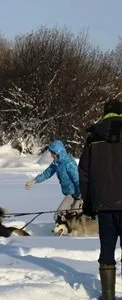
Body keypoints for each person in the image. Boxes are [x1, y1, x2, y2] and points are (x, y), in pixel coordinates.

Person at [79, 99, 122, 300]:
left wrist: (88, 203)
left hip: (103, 203)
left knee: (107, 249)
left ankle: (108, 296)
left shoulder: (93, 137)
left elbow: (84, 173)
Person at [25, 139, 82, 220]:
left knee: (61, 216)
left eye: (53, 153)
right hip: (69, 194)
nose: (51, 155)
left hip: (76, 195)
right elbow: (47, 173)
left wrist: (79, 196)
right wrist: (35, 181)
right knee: (62, 217)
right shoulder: (56, 163)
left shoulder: (69, 163)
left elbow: (77, 180)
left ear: (58, 152)